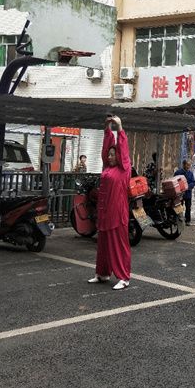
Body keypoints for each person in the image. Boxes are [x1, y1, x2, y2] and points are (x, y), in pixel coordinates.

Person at [88, 115, 131, 290]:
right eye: (110, 154)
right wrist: (107, 129)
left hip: (117, 213)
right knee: (103, 245)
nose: (111, 156)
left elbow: (123, 148)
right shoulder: (107, 168)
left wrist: (119, 127)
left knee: (118, 245)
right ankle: (102, 273)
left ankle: (124, 277)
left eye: (114, 154)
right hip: (105, 212)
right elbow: (106, 146)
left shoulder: (124, 168)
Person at [174, 160, 195, 226]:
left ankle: (187, 220)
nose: (188, 166)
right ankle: (178, 220)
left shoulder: (190, 173)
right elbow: (174, 181)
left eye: (189, 165)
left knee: (188, 207)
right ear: (183, 165)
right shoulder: (178, 172)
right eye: (187, 165)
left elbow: (193, 182)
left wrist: (187, 186)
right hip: (180, 193)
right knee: (179, 207)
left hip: (188, 193)